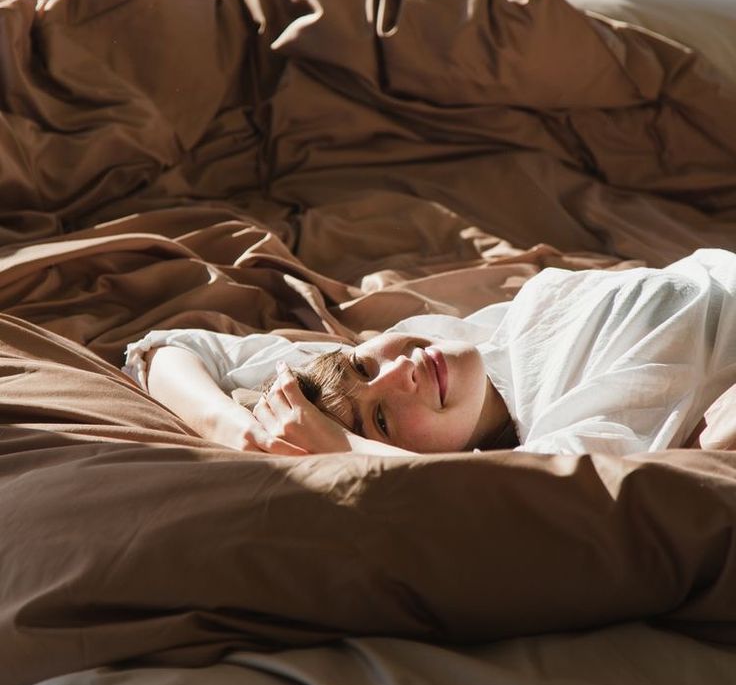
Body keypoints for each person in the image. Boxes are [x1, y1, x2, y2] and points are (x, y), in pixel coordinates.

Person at [124, 248, 736, 458]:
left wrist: (233, 429)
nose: (398, 371)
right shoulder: (567, 421)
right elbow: (550, 488)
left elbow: (173, 348)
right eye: (383, 420)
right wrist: (343, 449)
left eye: (363, 363)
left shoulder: (478, 348)